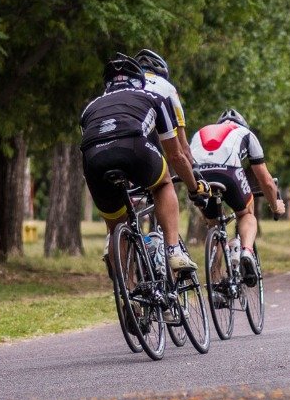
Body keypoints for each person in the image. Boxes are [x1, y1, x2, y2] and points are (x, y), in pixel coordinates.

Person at [80, 53, 207, 276]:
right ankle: (173, 250)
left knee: (116, 226)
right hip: (134, 147)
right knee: (163, 184)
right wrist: (193, 187)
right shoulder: (154, 97)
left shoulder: (90, 107)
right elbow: (177, 155)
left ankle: (126, 287)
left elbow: (96, 141)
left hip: (93, 160)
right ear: (139, 80)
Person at [189, 108, 286, 285]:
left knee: (214, 224)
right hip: (229, 172)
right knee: (246, 214)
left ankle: (215, 282)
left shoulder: (200, 133)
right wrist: (275, 206)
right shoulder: (246, 133)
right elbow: (266, 180)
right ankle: (247, 251)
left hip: (200, 177)